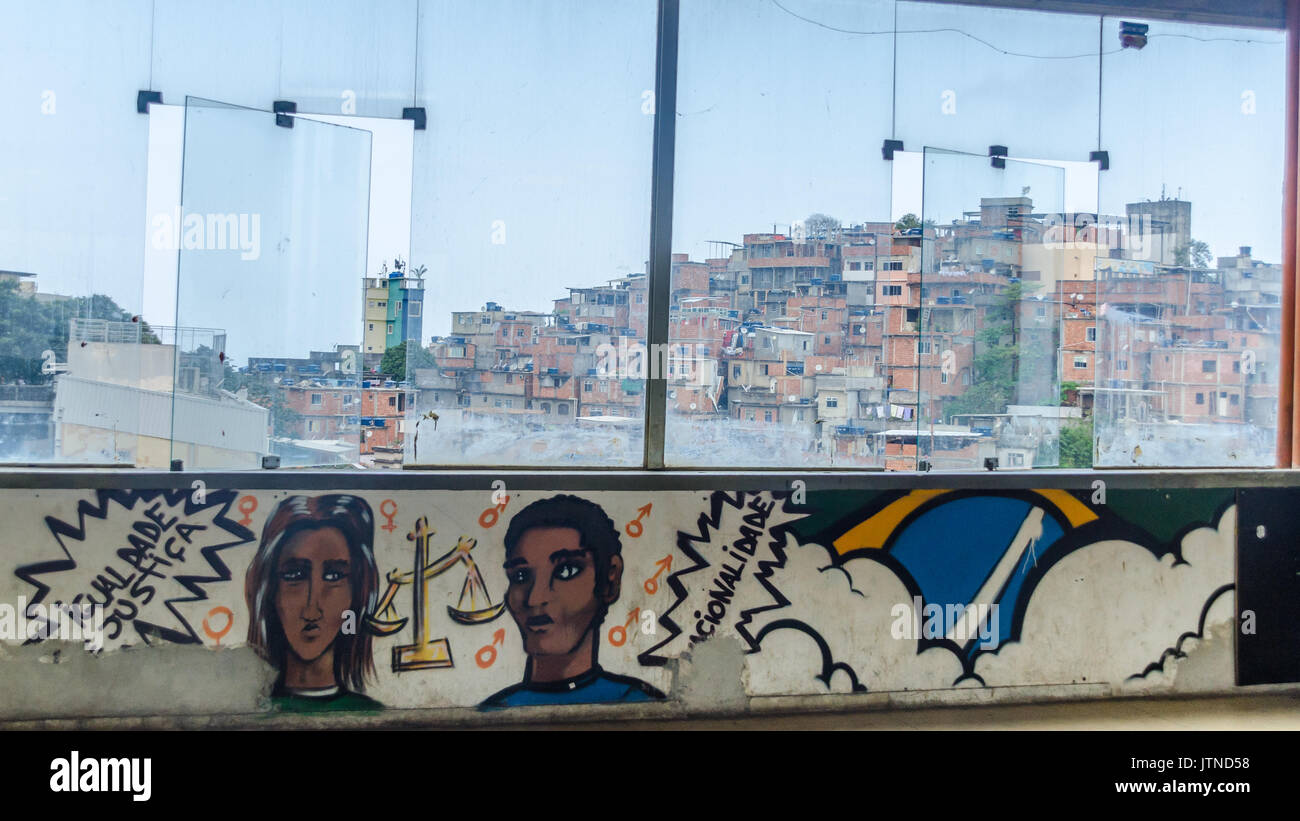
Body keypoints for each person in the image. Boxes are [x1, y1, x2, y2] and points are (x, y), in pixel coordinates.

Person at [480, 494, 664, 708]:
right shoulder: (495, 711)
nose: (535, 598)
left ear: (609, 581)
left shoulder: (637, 704)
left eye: (566, 571)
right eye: (520, 576)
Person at [245, 494, 383, 711]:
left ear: (357, 591)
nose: (312, 610)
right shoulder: (251, 711)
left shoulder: (369, 714)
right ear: (270, 589)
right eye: (294, 575)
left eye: (334, 576)